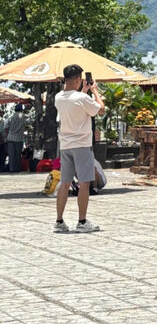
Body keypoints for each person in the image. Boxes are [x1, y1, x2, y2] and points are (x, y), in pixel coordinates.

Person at [53, 65, 105, 233]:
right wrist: (95, 91)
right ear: (77, 78)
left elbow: (74, 102)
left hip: (66, 145)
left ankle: (59, 221)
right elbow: (101, 109)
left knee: (65, 183)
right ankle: (82, 221)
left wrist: (83, 91)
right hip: (82, 145)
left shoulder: (58, 97)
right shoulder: (82, 99)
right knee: (84, 183)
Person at [6, 103, 27, 174]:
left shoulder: (11, 116)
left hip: (10, 137)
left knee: (11, 155)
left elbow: (6, 127)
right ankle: (17, 168)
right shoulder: (23, 116)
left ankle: (11, 169)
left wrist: (7, 134)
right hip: (19, 138)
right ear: (21, 109)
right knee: (18, 154)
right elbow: (25, 125)